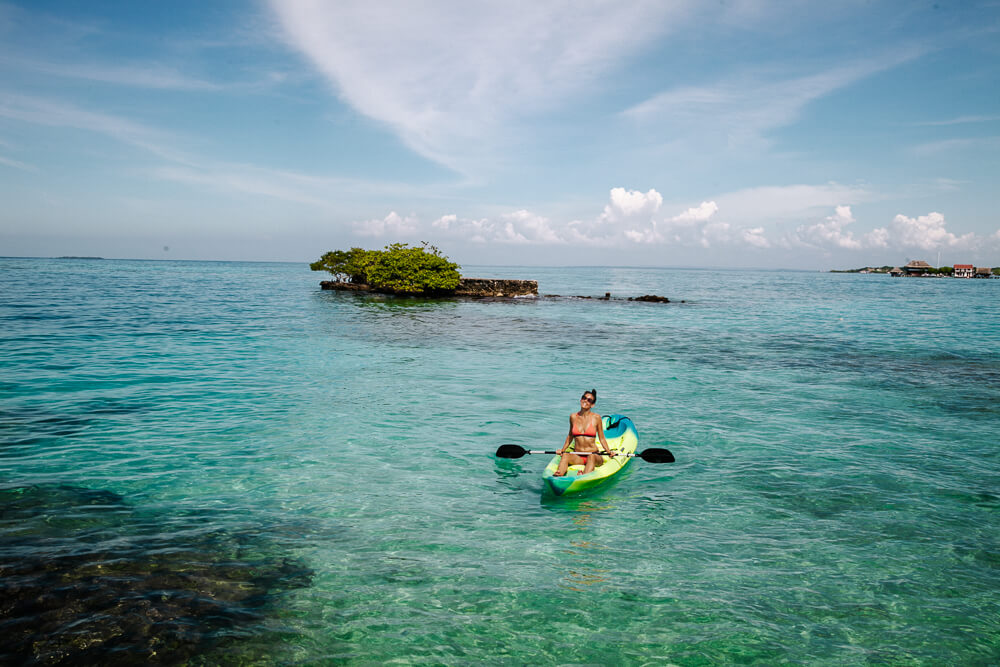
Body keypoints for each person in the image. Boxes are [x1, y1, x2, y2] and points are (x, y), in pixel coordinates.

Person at [553, 389, 614, 476]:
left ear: (592, 405)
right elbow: (570, 436)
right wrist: (562, 450)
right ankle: (559, 473)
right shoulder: (573, 417)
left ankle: (584, 476)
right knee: (565, 455)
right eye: (584, 398)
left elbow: (602, 438)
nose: (585, 401)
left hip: (594, 455)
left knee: (591, 457)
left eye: (589, 400)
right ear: (581, 399)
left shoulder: (596, 418)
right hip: (578, 455)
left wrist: (609, 451)